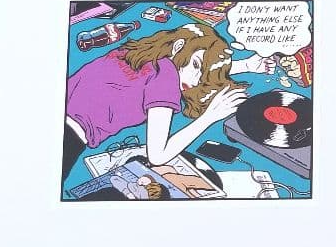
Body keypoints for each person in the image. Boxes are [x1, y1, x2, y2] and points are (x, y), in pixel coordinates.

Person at [63, 23, 275, 182]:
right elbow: (158, 156)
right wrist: (210, 116)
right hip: (69, 140)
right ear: (178, 46)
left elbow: (198, 66)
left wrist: (245, 65)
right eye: (196, 65)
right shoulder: (166, 79)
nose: (195, 81)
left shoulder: (145, 52)